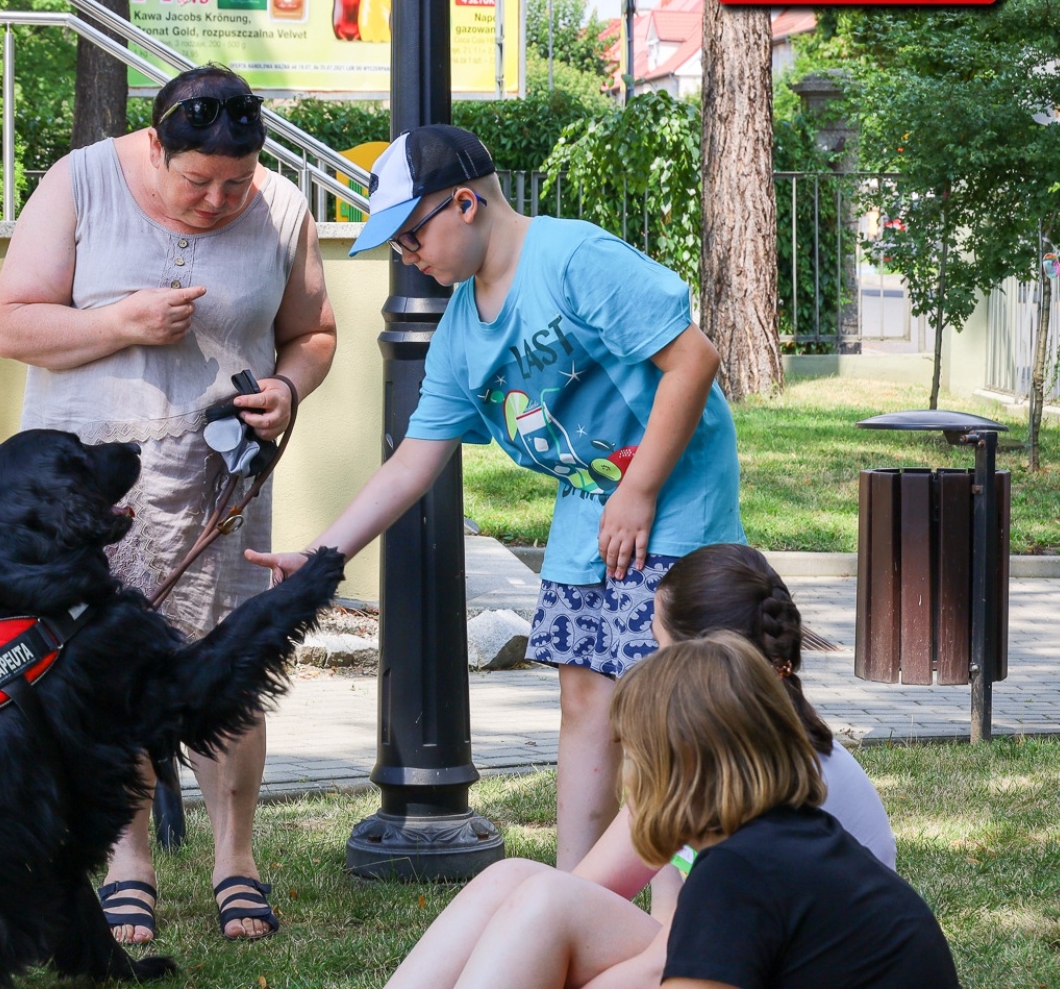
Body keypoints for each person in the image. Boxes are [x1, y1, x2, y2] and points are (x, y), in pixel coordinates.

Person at [246, 125, 744, 875]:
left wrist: (640, 491)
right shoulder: (459, 332)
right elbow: (412, 461)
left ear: (466, 203)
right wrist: (323, 555)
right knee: (586, 699)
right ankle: (576, 897)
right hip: (592, 495)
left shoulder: (574, 259)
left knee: (664, 709)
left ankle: (688, 904)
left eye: (413, 238)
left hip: (672, 490)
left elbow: (694, 360)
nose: (409, 259)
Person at [0, 64, 337, 943]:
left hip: (217, 480)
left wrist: (291, 388)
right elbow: (12, 324)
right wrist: (120, 323)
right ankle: (127, 861)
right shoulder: (82, 182)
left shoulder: (283, 209)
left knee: (230, 665)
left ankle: (236, 859)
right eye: (198, 181)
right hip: (93, 488)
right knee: (106, 670)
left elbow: (313, 332)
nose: (219, 199)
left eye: (236, 182)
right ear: (156, 146)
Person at [381, 542, 898, 988]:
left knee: (543, 908)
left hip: (779, 973)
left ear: (697, 661)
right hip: (724, 959)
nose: (645, 660)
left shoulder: (766, 780)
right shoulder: (713, 755)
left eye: (655, 640)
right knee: (515, 881)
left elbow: (671, 964)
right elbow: (607, 900)